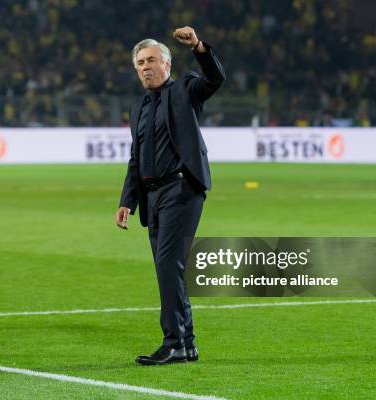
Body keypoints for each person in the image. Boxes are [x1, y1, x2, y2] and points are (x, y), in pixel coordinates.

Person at [115, 26, 225, 365]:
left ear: (166, 63)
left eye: (151, 60)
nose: (145, 67)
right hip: (152, 196)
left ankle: (174, 341)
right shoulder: (139, 109)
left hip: (181, 189)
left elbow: (215, 79)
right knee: (170, 268)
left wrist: (199, 47)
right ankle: (187, 344)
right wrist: (126, 201)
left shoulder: (185, 90)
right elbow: (136, 159)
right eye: (139, 63)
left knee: (167, 264)